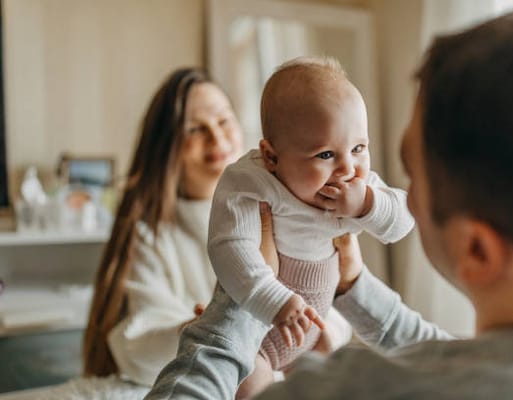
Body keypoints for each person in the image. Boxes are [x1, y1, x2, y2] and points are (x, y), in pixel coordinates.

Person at [145, 7, 513, 399]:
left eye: (413, 177)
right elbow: (444, 353)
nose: (358, 180)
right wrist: (354, 286)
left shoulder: (349, 388)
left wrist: (236, 309)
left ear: (477, 249)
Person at [82, 67, 352, 387]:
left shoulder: (286, 209)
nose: (217, 138)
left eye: (224, 121)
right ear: (167, 147)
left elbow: (338, 308)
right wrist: (206, 326)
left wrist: (319, 330)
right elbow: (136, 352)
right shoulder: (151, 236)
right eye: (196, 129)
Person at [207, 57, 414, 397]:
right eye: (325, 155)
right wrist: (275, 302)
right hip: (258, 334)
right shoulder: (252, 182)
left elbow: (402, 222)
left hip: (313, 333)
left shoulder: (359, 189)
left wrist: (367, 205)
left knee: (334, 385)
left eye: (359, 148)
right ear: (272, 158)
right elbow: (230, 248)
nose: (348, 168)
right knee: (252, 387)